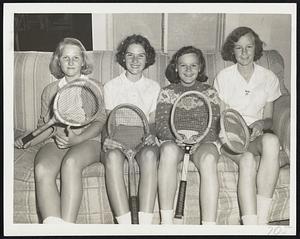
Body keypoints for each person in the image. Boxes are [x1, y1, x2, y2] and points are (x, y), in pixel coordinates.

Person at [15, 37, 106, 224]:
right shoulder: (49, 91)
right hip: (56, 140)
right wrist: (29, 141)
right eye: (66, 58)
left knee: (71, 163)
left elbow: (99, 122)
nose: (71, 62)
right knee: (42, 168)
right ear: (58, 61)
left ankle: (69, 228)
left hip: (88, 139)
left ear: (83, 61)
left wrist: (76, 140)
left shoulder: (94, 87)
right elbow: (47, 127)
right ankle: (55, 228)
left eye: (76, 58)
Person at [214, 26, 282, 225]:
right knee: (248, 160)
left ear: (256, 48)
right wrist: (239, 131)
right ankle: (251, 224)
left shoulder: (268, 77)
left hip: (255, 134)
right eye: (238, 48)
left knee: (271, 140)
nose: (244, 53)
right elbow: (222, 118)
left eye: (249, 47)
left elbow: (269, 119)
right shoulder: (224, 77)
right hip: (230, 137)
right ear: (232, 51)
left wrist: (261, 124)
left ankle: (262, 220)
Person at [156, 46, 221, 225]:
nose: (188, 70)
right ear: (176, 67)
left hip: (203, 142)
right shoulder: (167, 92)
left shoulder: (210, 92)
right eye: (183, 66)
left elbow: (215, 123)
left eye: (193, 66)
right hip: (176, 141)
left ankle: (209, 226)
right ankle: (167, 222)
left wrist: (200, 140)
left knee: (208, 159)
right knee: (167, 152)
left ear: (200, 67)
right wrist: (175, 137)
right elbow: (161, 124)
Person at [102, 34, 161, 224]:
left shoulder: (154, 86)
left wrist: (152, 136)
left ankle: (144, 225)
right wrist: (106, 139)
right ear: (123, 57)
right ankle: (125, 225)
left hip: (143, 137)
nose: (135, 60)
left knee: (151, 156)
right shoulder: (111, 86)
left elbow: (152, 122)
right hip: (118, 136)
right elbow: (108, 121)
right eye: (130, 55)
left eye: (140, 55)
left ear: (147, 58)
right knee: (111, 157)